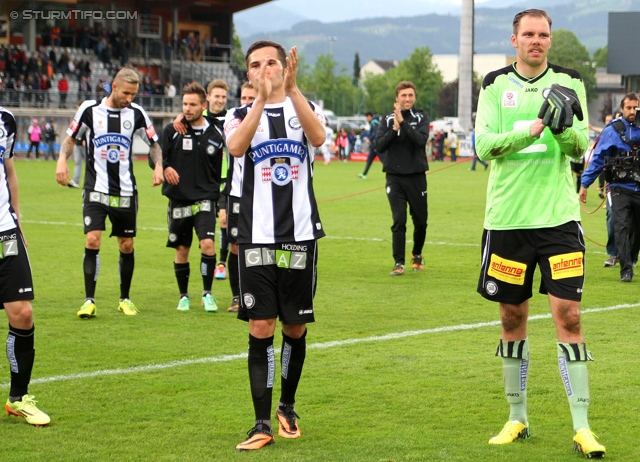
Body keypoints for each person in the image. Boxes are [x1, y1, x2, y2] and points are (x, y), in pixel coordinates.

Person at [474, 9, 605, 458]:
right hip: (508, 220)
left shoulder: (570, 81)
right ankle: (517, 418)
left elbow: (579, 148)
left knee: (569, 316)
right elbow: (483, 145)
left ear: (550, 40)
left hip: (559, 221)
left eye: (543, 34)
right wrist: (532, 127)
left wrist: (563, 124)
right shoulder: (494, 83)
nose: (536, 40)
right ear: (514, 40)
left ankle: (583, 427)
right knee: (512, 319)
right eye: (528, 34)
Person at [225, 40, 325, 451]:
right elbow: (236, 147)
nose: (264, 69)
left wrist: (293, 89)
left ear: (285, 67)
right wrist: (260, 103)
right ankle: (261, 422)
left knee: (294, 326)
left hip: (299, 236)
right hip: (255, 236)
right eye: (256, 65)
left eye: (272, 63)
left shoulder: (306, 109)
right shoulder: (236, 115)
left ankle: (287, 405)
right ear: (247, 74)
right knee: (261, 325)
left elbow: (317, 137)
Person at [55, 68, 164, 318]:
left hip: (125, 191)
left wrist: (158, 165)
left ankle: (124, 298)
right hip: (96, 188)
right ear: (114, 86)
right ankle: (89, 301)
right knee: (92, 239)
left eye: (133, 94)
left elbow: (154, 143)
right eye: (126, 93)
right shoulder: (90, 110)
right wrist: (62, 159)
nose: (129, 98)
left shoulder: (137, 113)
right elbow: (70, 138)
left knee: (126, 245)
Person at [0, 107, 50, 427]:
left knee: (23, 312)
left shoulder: (5, 120)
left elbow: (10, 172)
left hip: (4, 232)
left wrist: (17, 219)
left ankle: (18, 398)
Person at [161, 82, 224, 312]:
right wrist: (165, 168)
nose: (187, 108)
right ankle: (183, 295)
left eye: (192, 104)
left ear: (203, 106)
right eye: (184, 104)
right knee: (182, 249)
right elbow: (157, 157)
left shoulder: (217, 131)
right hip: (179, 199)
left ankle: (207, 294)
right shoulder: (173, 131)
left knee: (207, 243)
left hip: (206, 198)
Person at [579, 93, 640, 283]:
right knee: (620, 226)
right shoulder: (612, 130)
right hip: (619, 187)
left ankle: (630, 257)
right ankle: (626, 269)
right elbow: (597, 159)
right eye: (628, 107)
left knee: (637, 229)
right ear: (622, 109)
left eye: (635, 107)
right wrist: (585, 184)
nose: (632, 111)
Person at [376, 80, 429, 276]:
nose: (407, 99)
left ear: (414, 97)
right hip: (394, 178)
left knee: (421, 222)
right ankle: (398, 263)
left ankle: (417, 253)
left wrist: (403, 124)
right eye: (404, 96)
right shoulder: (387, 120)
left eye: (410, 95)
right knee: (399, 220)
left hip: (417, 177)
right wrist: (395, 129)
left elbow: (420, 141)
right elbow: (380, 145)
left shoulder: (421, 116)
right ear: (397, 98)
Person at [220, 81, 258, 313]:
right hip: (236, 194)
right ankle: (237, 296)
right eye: (244, 98)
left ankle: (255, 294)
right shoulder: (233, 118)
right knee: (235, 247)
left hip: (260, 195)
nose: (246, 102)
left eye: (251, 98)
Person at [357, 111, 382, 178]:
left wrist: (369, 139)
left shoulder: (374, 123)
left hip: (376, 144)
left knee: (383, 159)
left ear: (369, 116)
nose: (366, 119)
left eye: (366, 117)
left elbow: (376, 133)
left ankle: (392, 172)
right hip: (374, 145)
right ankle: (364, 174)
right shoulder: (374, 122)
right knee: (370, 160)